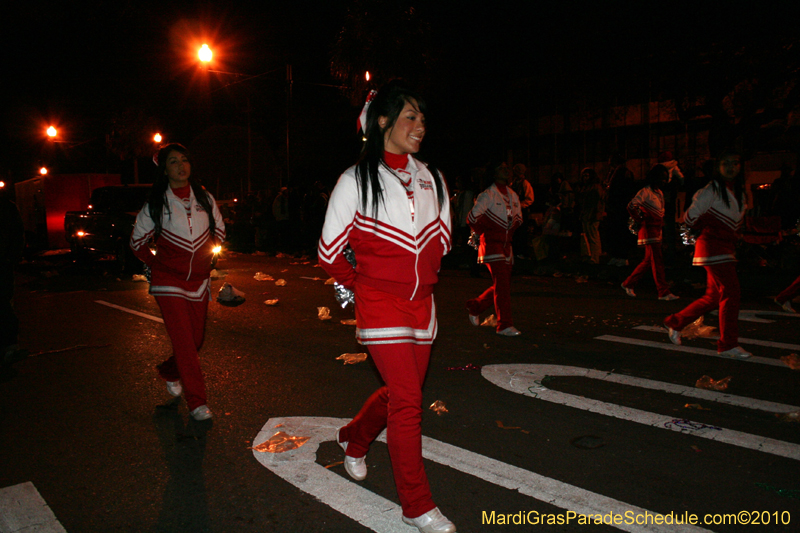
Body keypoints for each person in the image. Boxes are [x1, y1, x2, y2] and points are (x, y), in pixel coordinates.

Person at [317, 81, 456, 533]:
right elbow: (329, 251)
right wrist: (361, 286)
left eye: (422, 118)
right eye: (410, 116)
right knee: (410, 402)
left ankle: (354, 438)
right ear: (383, 122)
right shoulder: (355, 180)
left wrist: (420, 273)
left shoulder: (432, 177)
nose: (420, 125)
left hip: (423, 303)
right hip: (380, 303)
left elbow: (442, 240)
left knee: (402, 392)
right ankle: (416, 505)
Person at [130, 143, 225, 420]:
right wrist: (155, 265)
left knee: (196, 341)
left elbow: (220, 230)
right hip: (168, 282)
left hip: (199, 280)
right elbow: (136, 242)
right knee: (184, 342)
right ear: (164, 169)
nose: (181, 166)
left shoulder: (204, 197)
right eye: (173, 161)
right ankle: (197, 403)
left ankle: (170, 371)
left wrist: (208, 257)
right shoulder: (156, 202)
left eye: (184, 160)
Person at [664, 148, 750, 359]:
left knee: (714, 296)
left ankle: (676, 322)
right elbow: (689, 218)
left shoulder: (740, 191)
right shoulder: (711, 190)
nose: (731, 167)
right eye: (725, 163)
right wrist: (712, 226)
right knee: (731, 292)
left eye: (735, 163)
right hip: (712, 247)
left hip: (726, 248)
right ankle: (727, 344)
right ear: (717, 167)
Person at [466, 162, 523, 336]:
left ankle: (476, 306)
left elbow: (518, 219)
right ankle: (504, 325)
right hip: (491, 245)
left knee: (503, 284)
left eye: (507, 168)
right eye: (501, 168)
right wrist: (488, 232)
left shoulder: (513, 195)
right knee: (502, 285)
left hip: (506, 245)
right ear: (494, 173)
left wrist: (507, 232)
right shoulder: (487, 195)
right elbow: (472, 218)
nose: (506, 170)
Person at [621, 165, 679, 300]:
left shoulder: (659, 193)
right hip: (648, 231)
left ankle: (628, 283)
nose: (664, 181)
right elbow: (631, 206)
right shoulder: (645, 192)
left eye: (665, 178)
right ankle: (663, 292)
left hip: (657, 230)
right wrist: (639, 219)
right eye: (662, 178)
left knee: (648, 261)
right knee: (657, 261)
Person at [0, 182, 25, 365]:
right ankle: (9, 346)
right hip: (4, 263)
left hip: (3, 263)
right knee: (4, 304)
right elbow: (18, 234)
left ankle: (9, 346)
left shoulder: (7, 208)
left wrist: (11, 258)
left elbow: (17, 234)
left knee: (4, 304)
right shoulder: (7, 207)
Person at [603, 153, 636, 266]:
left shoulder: (624, 173)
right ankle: (615, 255)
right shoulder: (613, 173)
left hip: (620, 208)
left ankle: (622, 256)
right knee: (614, 232)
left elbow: (626, 190)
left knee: (621, 232)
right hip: (614, 208)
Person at [576, 168, 605, 264]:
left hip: (592, 214)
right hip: (587, 214)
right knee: (589, 236)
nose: (585, 178)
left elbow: (597, 202)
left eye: (587, 176)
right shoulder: (587, 187)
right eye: (583, 176)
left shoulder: (595, 187)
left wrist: (595, 213)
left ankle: (595, 257)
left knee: (593, 236)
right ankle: (593, 255)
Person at [509, 163, 534, 259]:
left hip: (522, 211)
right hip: (514, 211)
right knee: (515, 232)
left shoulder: (525, 184)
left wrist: (520, 206)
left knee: (522, 232)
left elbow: (529, 199)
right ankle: (516, 251)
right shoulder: (513, 183)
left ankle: (522, 251)